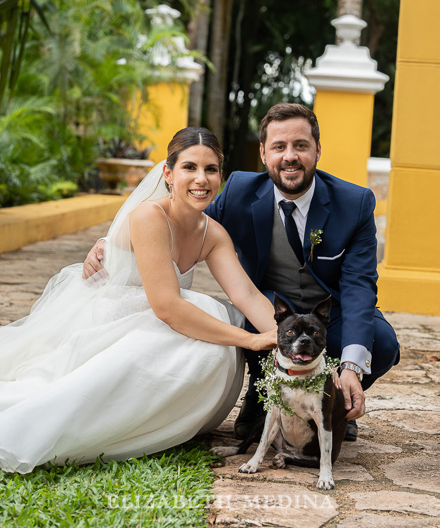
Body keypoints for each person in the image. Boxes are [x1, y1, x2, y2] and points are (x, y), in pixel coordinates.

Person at [85, 104, 400, 443]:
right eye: (279, 147)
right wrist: (114, 241)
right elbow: (184, 215)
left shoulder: (354, 204)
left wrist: (350, 368)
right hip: (267, 306)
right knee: (235, 315)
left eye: (301, 145)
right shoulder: (238, 192)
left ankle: (333, 400)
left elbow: (359, 288)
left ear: (318, 150)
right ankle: (260, 395)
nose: (289, 156)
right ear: (263, 153)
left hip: (328, 312)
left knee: (380, 342)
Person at [0, 127, 277, 474]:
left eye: (211, 169)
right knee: (211, 315)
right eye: (189, 167)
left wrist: (287, 340)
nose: (201, 179)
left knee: (217, 324)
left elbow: (247, 294)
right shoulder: (149, 216)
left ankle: (158, 417)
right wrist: (251, 339)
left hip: (158, 325)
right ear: (168, 173)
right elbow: (167, 306)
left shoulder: (213, 233)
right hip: (114, 321)